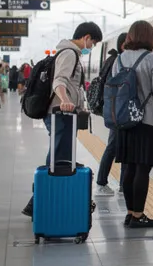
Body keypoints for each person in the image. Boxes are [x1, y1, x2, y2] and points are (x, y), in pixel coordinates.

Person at [22, 22, 103, 218]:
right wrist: (66, 100)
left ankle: (45, 198)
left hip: (59, 114)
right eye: (92, 43)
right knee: (59, 156)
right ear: (86, 37)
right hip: (60, 113)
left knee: (59, 154)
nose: (91, 48)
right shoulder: (70, 53)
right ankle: (39, 200)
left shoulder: (66, 52)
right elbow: (60, 81)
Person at [112, 20, 153, 228]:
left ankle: (131, 213)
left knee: (129, 167)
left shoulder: (120, 59)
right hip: (148, 121)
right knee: (143, 168)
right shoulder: (152, 59)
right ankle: (139, 216)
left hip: (125, 121)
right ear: (149, 36)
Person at [94, 32, 127, 197]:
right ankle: (102, 182)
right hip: (118, 111)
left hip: (115, 110)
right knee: (115, 146)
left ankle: (121, 184)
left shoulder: (112, 60)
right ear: (123, 46)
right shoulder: (117, 61)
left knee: (116, 146)